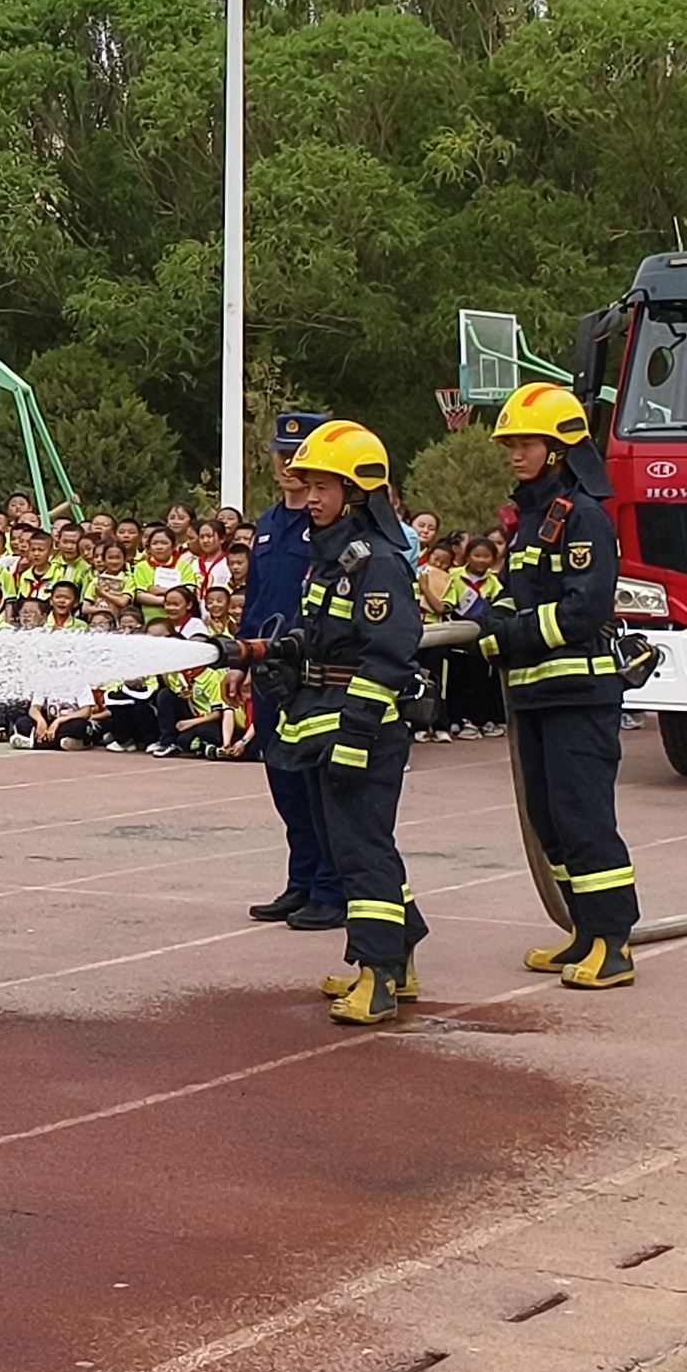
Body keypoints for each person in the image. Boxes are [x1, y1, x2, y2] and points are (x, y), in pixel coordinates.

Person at [248, 419, 431, 1023]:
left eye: (326, 486)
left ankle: (377, 977)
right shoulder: (330, 559)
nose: (313, 495)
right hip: (323, 717)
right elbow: (324, 636)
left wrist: (354, 733)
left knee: (361, 850)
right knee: (348, 843)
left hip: (364, 729)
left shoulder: (376, 563)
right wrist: (280, 656)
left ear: (358, 493)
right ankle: (396, 955)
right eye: (311, 484)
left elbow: (388, 653)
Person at [479, 382, 641, 988]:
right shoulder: (532, 519)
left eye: (526, 443)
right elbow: (514, 596)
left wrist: (509, 634)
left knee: (584, 818)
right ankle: (583, 931)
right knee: (549, 819)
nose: (514, 454)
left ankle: (614, 942)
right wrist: (487, 622)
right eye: (511, 444)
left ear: (559, 448)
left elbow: (581, 611)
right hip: (539, 694)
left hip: (580, 695)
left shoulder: (584, 517)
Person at [240, 414, 348, 933]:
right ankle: (302, 880)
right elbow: (256, 599)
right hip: (267, 671)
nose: (287, 465)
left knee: (315, 782)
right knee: (283, 780)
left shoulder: (332, 527)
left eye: (298, 455)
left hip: (312, 671)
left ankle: (331, 887)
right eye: (281, 454)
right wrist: (239, 658)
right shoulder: (267, 525)